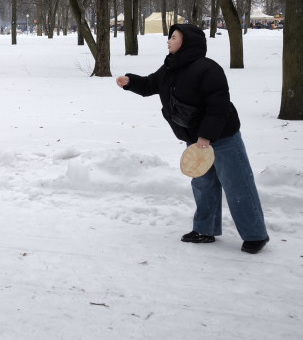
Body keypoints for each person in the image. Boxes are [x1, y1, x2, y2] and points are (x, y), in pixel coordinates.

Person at [115, 23, 269, 254]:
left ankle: (255, 235)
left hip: (222, 137)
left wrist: (206, 136)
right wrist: (130, 82)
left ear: (187, 41)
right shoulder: (170, 67)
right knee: (203, 184)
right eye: (169, 37)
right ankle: (205, 230)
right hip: (194, 139)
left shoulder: (208, 69)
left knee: (237, 185)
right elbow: (150, 84)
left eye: (173, 37)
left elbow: (219, 107)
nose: (168, 41)